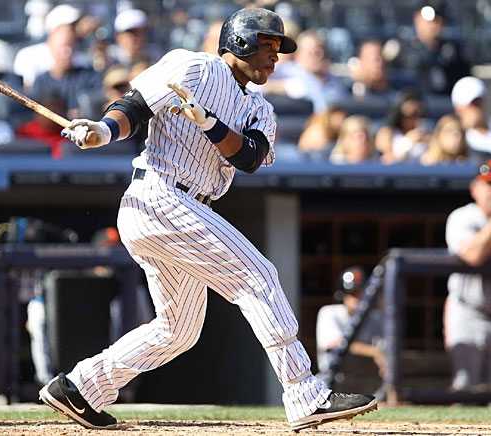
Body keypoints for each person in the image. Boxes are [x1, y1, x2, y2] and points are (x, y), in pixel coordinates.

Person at [39, 8, 377, 431]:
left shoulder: (261, 108)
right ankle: (304, 392)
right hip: (160, 195)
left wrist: (211, 124)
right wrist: (104, 131)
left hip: (183, 208)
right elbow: (135, 106)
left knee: (178, 330)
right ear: (239, 42)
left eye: (278, 49)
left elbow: (249, 157)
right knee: (258, 277)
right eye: (268, 46)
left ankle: (81, 387)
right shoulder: (194, 67)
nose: (275, 58)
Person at [444, 160, 491, 391]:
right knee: (465, 389)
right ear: (475, 188)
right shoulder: (463, 217)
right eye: (488, 185)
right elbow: (473, 256)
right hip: (468, 312)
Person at [316, 267, 385, 378]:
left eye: (360, 292)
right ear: (341, 295)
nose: (356, 297)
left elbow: (384, 349)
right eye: (351, 293)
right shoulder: (329, 312)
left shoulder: (375, 317)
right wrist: (374, 352)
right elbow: (339, 344)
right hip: (333, 381)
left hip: (364, 379)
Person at [393, 1, 470, 96]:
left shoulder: (453, 52)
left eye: (437, 20)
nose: (433, 25)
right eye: (430, 21)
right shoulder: (402, 50)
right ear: (417, 19)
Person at [375, 90, 429, 164]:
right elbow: (386, 160)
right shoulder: (386, 132)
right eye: (410, 114)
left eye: (419, 114)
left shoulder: (426, 132)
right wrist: (408, 141)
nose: (414, 119)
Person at [451, 76, 491, 158]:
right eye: (472, 104)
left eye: (478, 102)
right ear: (458, 109)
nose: (476, 109)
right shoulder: (454, 141)